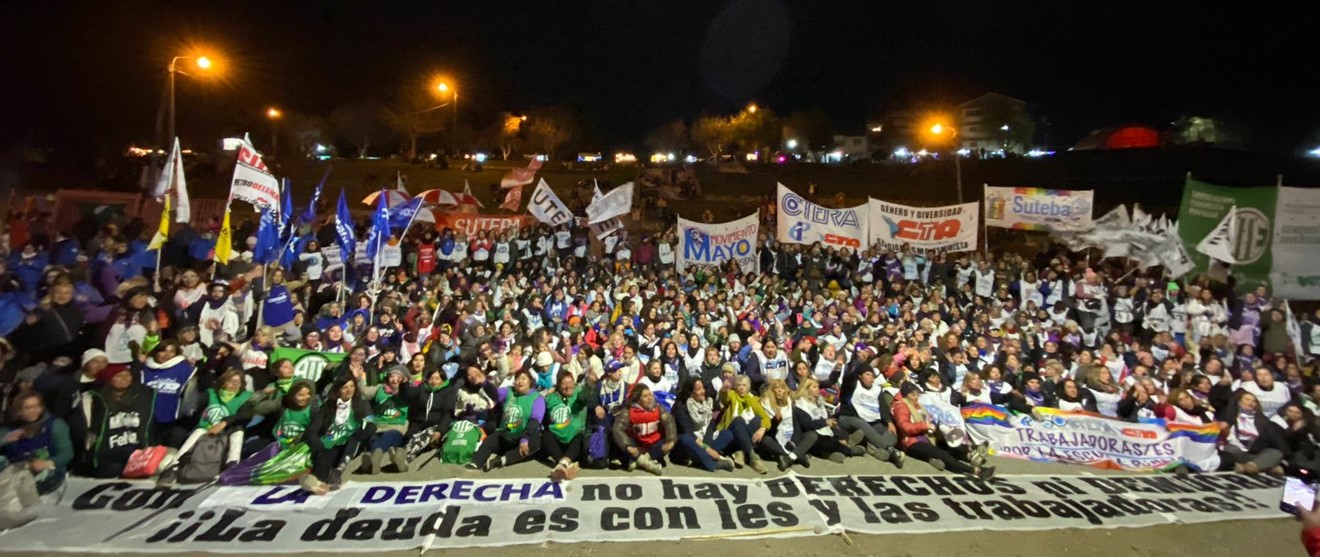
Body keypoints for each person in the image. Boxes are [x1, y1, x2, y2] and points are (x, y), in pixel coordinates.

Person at [157, 369, 253, 486]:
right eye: (231, 381)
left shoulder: (245, 397)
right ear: (223, 382)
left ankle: (231, 467)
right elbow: (196, 411)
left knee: (238, 433)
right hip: (207, 427)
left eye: (238, 382)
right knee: (198, 432)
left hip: (229, 428)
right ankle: (173, 467)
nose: (234, 384)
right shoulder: (211, 394)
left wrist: (224, 423)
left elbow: (246, 415)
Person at [892, 382, 994, 479]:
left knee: (948, 445)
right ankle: (977, 471)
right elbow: (904, 427)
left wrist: (935, 426)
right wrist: (925, 425)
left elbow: (928, 419)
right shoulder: (901, 406)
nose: (916, 397)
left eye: (917, 394)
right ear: (906, 395)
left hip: (925, 436)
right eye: (913, 394)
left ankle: (968, 455)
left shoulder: (917, 405)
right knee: (942, 454)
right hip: (911, 442)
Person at [301, 374, 375, 494]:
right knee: (325, 455)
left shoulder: (361, 403)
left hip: (351, 441)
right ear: (338, 390)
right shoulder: (328, 406)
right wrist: (319, 448)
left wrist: (360, 434)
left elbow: (371, 424)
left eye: (352, 386)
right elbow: (312, 430)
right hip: (330, 440)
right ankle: (317, 482)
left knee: (352, 442)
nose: (349, 390)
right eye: (345, 387)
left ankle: (338, 471)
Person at [84, 366, 155, 478]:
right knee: (111, 471)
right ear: (108, 379)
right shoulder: (95, 399)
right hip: (107, 454)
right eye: (119, 376)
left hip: (136, 453)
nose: (125, 378)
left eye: (128, 374)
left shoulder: (143, 396)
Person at [468, 369, 544, 471]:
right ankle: (476, 463)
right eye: (518, 379)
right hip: (505, 433)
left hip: (522, 436)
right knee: (490, 441)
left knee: (535, 442)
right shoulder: (509, 391)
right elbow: (494, 394)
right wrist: (485, 383)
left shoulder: (537, 398)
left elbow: (534, 422)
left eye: (524, 379)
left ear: (530, 382)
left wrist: (524, 439)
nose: (520, 381)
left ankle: (501, 460)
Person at [1, 390, 73, 494]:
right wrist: (5, 440)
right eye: (28, 408)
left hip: (48, 473)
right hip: (16, 472)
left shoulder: (55, 425)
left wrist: (47, 463)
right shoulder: (10, 429)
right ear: (18, 411)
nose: (34, 411)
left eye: (36, 406)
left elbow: (66, 453)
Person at [836, 365, 905, 467]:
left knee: (892, 433)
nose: (870, 378)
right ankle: (891, 450)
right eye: (867, 374)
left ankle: (876, 449)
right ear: (860, 376)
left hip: (871, 421)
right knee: (861, 424)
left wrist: (889, 422)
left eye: (872, 375)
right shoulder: (852, 385)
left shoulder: (877, 390)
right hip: (848, 418)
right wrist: (858, 362)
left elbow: (883, 408)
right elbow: (848, 377)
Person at [670, 376, 737, 472]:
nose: (702, 392)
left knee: (727, 434)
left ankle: (699, 458)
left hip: (703, 439)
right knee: (685, 439)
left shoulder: (707, 402)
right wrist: (707, 449)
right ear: (691, 392)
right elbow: (688, 432)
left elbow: (710, 425)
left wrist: (707, 445)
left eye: (703, 388)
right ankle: (714, 464)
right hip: (690, 441)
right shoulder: (682, 406)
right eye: (698, 389)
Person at [1216, 391, 1286, 476]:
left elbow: (1273, 440)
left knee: (1276, 453)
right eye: (1247, 399)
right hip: (1236, 451)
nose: (1251, 403)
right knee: (1229, 450)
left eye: (1254, 401)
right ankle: (1266, 468)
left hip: (1255, 453)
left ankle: (1250, 467)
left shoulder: (1263, 420)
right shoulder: (1228, 415)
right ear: (1239, 402)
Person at [611, 383, 675, 475]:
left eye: (650, 394)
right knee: (621, 444)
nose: (650, 398)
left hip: (653, 444)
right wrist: (628, 446)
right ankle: (649, 465)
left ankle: (638, 461)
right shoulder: (628, 412)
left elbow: (669, 422)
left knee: (666, 443)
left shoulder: (659, 408)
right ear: (637, 399)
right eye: (645, 396)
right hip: (636, 444)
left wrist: (671, 440)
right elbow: (618, 428)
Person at [542, 370, 588, 481]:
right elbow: (537, 402)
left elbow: (585, 398)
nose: (567, 386)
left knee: (580, 437)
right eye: (563, 383)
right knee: (546, 435)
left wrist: (590, 382)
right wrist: (546, 393)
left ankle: (564, 463)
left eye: (570, 382)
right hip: (557, 438)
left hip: (575, 439)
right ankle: (564, 463)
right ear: (558, 385)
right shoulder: (552, 397)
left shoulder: (579, 393)